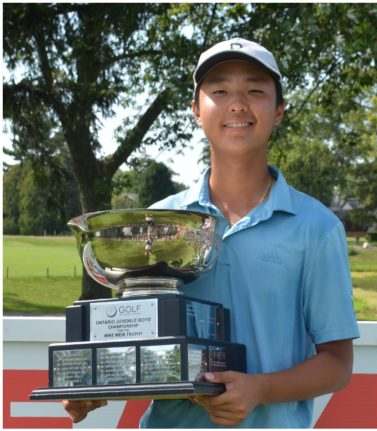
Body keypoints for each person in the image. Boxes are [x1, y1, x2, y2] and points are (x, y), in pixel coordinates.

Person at [63, 37, 360, 428]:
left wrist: (261, 389)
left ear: (279, 111)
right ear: (196, 112)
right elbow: (139, 336)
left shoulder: (317, 227)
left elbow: (337, 364)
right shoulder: (158, 220)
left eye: (255, 90)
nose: (237, 103)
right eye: (219, 91)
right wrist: (97, 381)